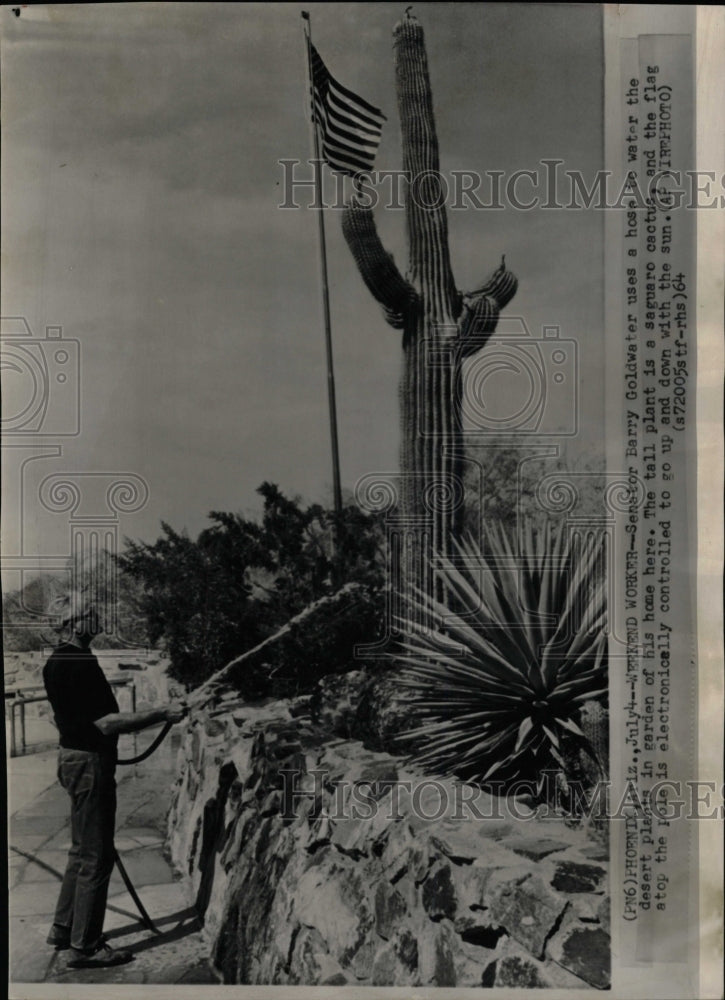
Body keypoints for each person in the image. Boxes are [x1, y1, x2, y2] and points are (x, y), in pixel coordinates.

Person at [42, 597, 188, 969]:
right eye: (93, 615)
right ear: (76, 623)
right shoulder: (80, 665)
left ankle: (63, 929)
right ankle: (85, 947)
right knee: (97, 856)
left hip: (73, 760)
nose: (100, 619)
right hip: (91, 764)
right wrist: (162, 713)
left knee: (80, 851)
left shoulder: (58, 661)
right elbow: (105, 723)